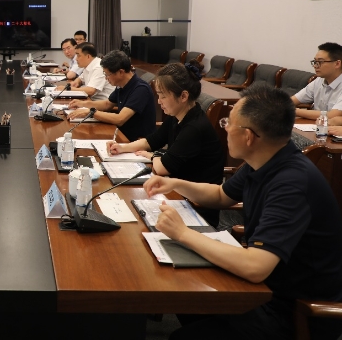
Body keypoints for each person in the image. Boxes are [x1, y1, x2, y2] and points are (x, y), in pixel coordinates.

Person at [145, 84, 342, 340]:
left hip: (293, 312)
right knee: (187, 301)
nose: (225, 128)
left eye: (228, 123)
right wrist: (175, 184)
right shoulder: (264, 159)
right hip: (265, 290)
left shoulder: (291, 184)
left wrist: (182, 233)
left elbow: (255, 267)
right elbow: (221, 195)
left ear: (248, 136)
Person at [109, 61, 223, 226]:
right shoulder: (177, 116)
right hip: (177, 194)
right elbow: (152, 141)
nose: (159, 101)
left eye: (163, 96)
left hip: (196, 208)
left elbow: (162, 168)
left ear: (183, 96)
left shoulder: (195, 127)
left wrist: (154, 155)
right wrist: (122, 147)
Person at [68, 50, 156, 142]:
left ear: (121, 72)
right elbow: (107, 104)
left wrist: (91, 112)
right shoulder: (121, 85)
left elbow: (120, 119)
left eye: (107, 74)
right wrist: (83, 104)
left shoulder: (140, 89)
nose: (106, 78)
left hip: (136, 141)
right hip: (121, 133)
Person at [292, 42, 342, 121]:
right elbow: (293, 100)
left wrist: (294, 111)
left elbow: (331, 115)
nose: (315, 66)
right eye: (315, 62)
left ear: (337, 64)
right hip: (314, 125)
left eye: (320, 62)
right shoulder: (319, 80)